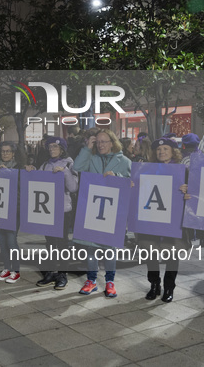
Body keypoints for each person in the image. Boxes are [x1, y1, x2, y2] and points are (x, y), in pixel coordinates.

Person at [73, 129, 131, 297]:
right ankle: (91, 281)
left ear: (112, 143)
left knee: (109, 249)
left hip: (112, 211)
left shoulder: (125, 161)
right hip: (92, 208)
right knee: (90, 248)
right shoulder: (91, 158)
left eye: (103, 141)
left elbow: (131, 183)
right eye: (97, 142)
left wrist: (117, 176)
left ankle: (110, 282)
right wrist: (86, 148)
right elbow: (77, 167)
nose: (100, 145)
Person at [139, 138, 189, 303]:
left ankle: (169, 287)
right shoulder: (147, 170)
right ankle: (154, 284)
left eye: (165, 149)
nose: (161, 152)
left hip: (172, 221)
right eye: (159, 150)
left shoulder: (183, 171)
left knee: (171, 254)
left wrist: (186, 190)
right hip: (152, 218)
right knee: (150, 252)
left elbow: (193, 194)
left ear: (173, 151)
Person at [28, 136, 78, 290]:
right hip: (47, 210)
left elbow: (73, 188)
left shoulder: (69, 163)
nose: (52, 150)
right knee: (49, 243)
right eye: (49, 148)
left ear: (61, 149)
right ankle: (50, 272)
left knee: (62, 243)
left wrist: (65, 173)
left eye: (55, 147)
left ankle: (62, 274)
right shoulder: (44, 165)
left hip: (63, 210)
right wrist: (32, 172)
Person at [0, 142, 22, 283]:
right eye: (3, 151)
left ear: (13, 153)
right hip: (0, 208)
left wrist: (8, 173)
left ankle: (15, 270)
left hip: (14, 209)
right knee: (3, 241)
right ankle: (6, 268)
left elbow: (20, 186)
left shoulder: (18, 168)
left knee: (11, 240)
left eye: (8, 151)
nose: (5, 154)